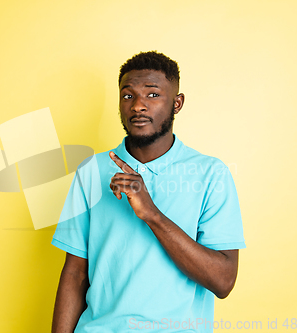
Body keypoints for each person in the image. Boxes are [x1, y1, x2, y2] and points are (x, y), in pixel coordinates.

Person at [51, 51, 245, 333]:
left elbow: (223, 281)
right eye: (128, 96)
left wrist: (152, 214)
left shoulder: (210, 174)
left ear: (177, 103)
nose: (138, 106)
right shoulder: (91, 170)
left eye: (152, 95)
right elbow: (75, 273)